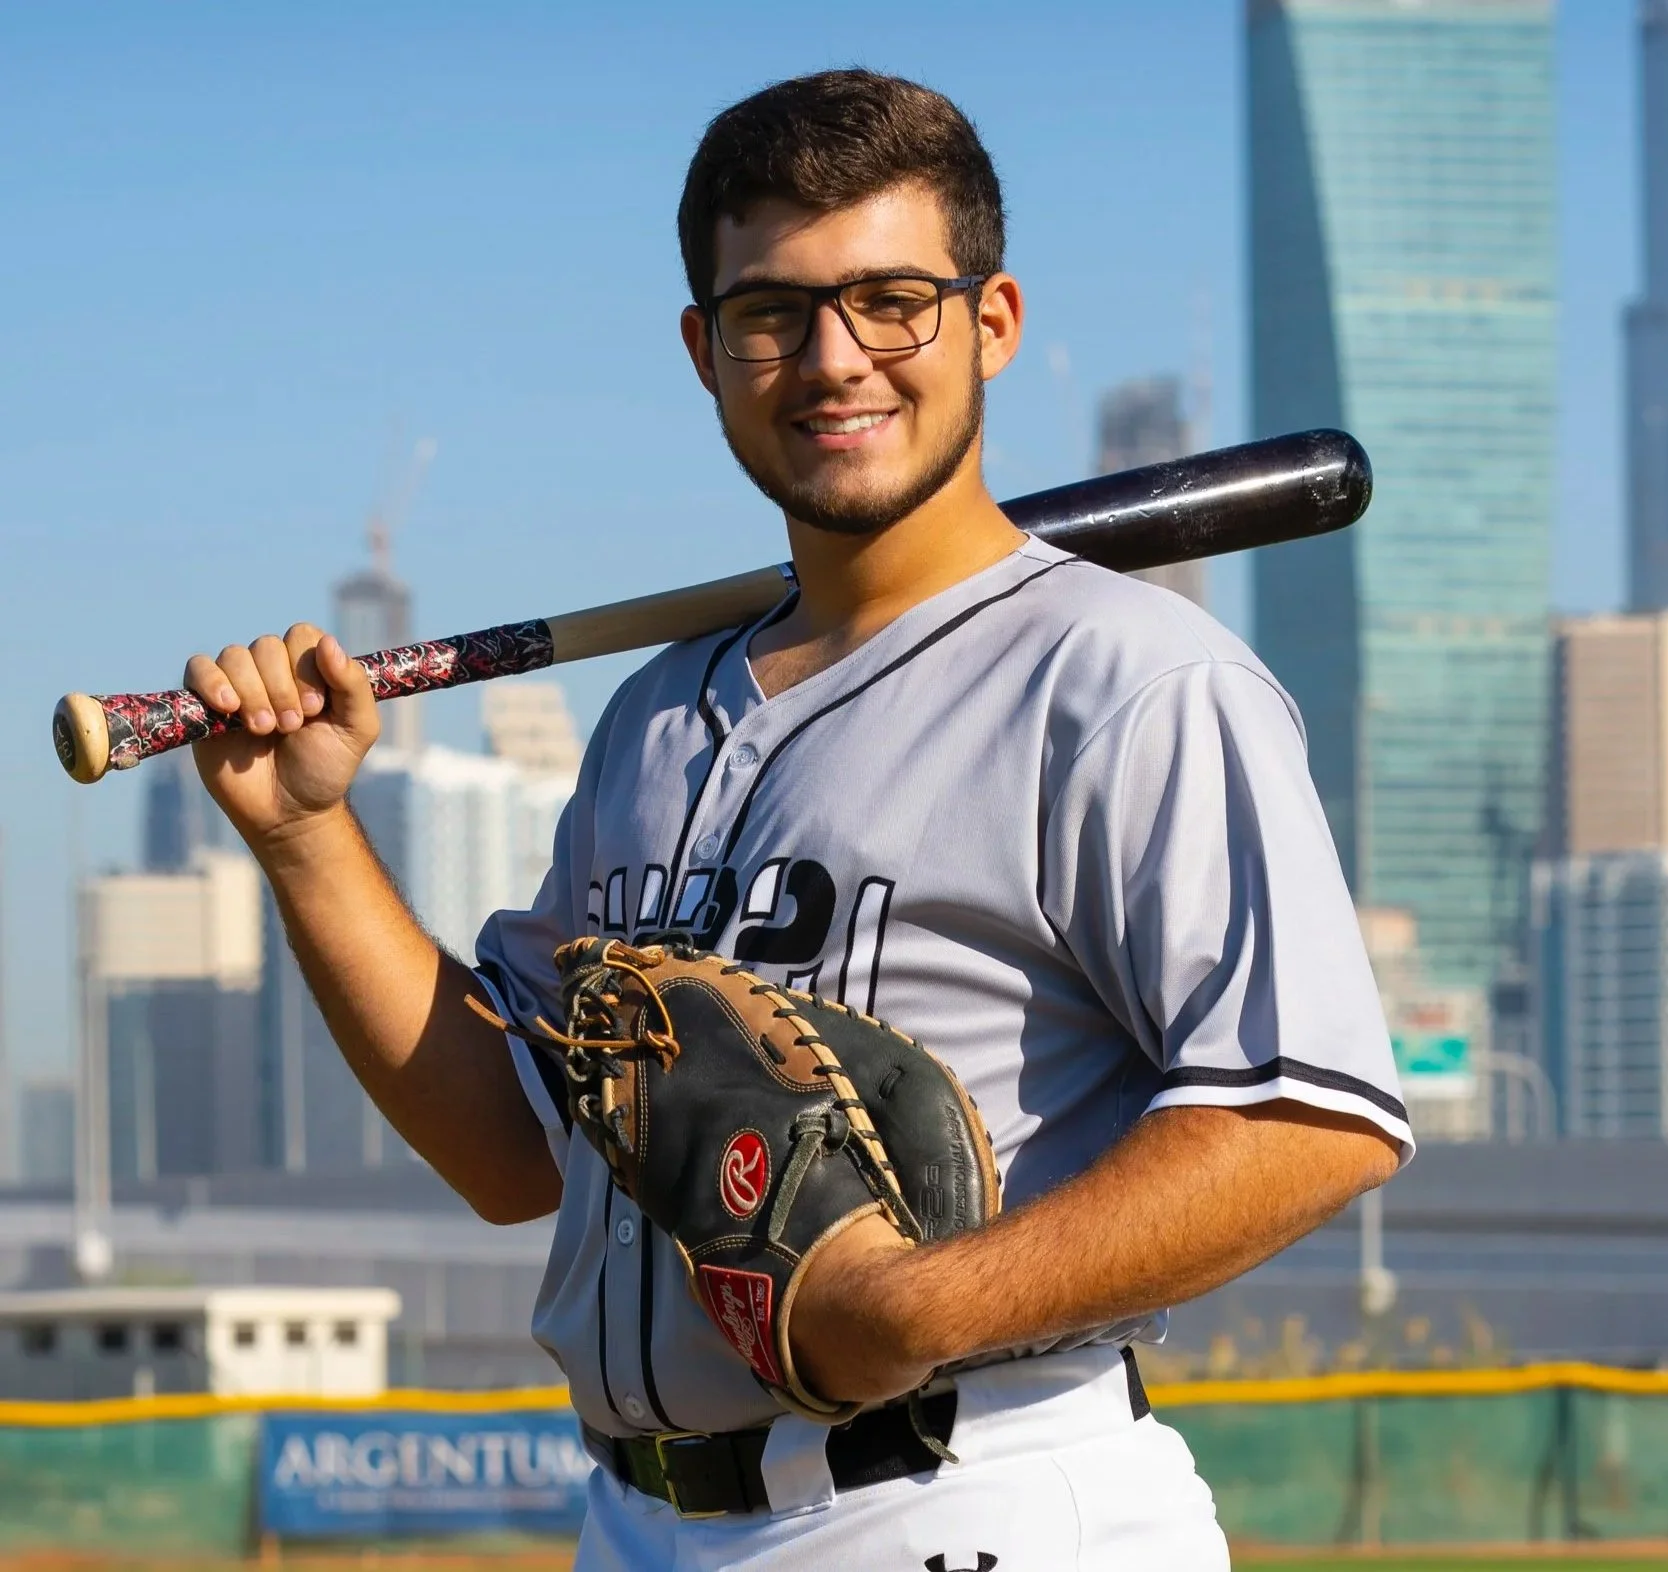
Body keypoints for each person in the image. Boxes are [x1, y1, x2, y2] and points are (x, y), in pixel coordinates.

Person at [183, 68, 1411, 1571]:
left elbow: (1314, 1113)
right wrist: (305, 837)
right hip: (638, 1518)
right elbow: (516, 1153)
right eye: (774, 312)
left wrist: (916, 1307)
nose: (836, 359)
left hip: (977, 1492)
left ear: (994, 322)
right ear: (707, 350)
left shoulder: (1130, 681)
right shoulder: (654, 715)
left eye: (894, 299)